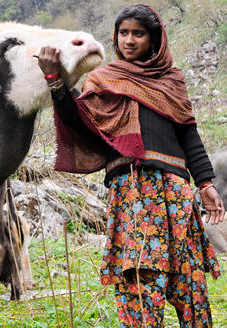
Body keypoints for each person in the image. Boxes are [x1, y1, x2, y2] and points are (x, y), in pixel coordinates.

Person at [37, 4, 225, 328]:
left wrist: (206, 184)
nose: (129, 40)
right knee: (139, 277)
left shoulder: (172, 81)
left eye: (138, 33)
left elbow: (189, 136)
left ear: (154, 39)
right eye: (123, 32)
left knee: (189, 279)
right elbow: (79, 122)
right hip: (134, 194)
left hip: (176, 194)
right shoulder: (103, 80)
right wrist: (55, 80)